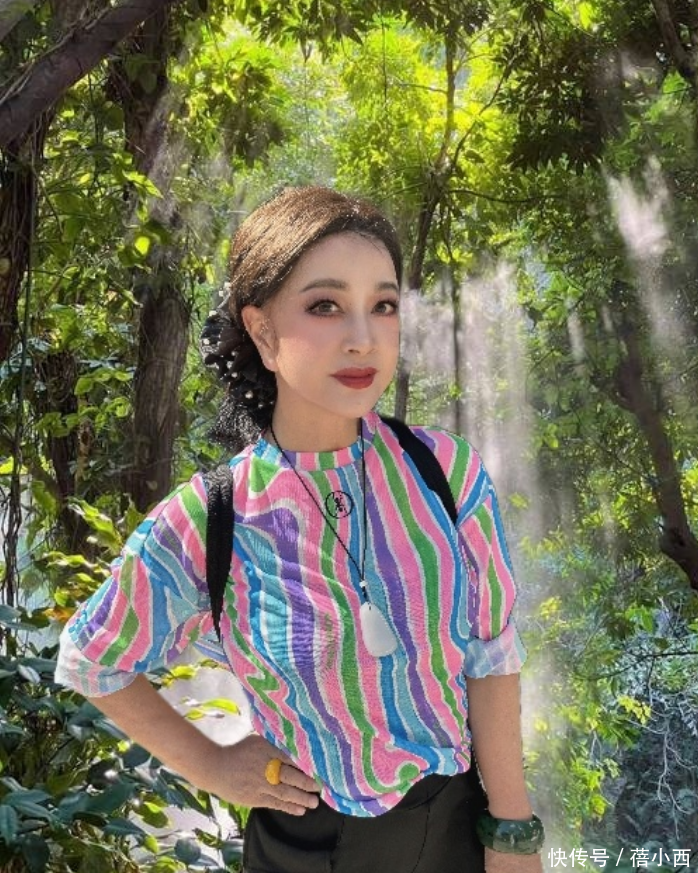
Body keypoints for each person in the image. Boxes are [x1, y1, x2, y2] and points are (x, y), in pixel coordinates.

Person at [56, 186, 544, 873]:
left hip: (455, 829)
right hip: (309, 846)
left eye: (383, 305)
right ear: (261, 332)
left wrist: (513, 832)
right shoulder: (212, 517)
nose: (363, 337)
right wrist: (213, 764)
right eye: (325, 306)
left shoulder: (443, 471)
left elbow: (491, 657)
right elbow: (92, 657)